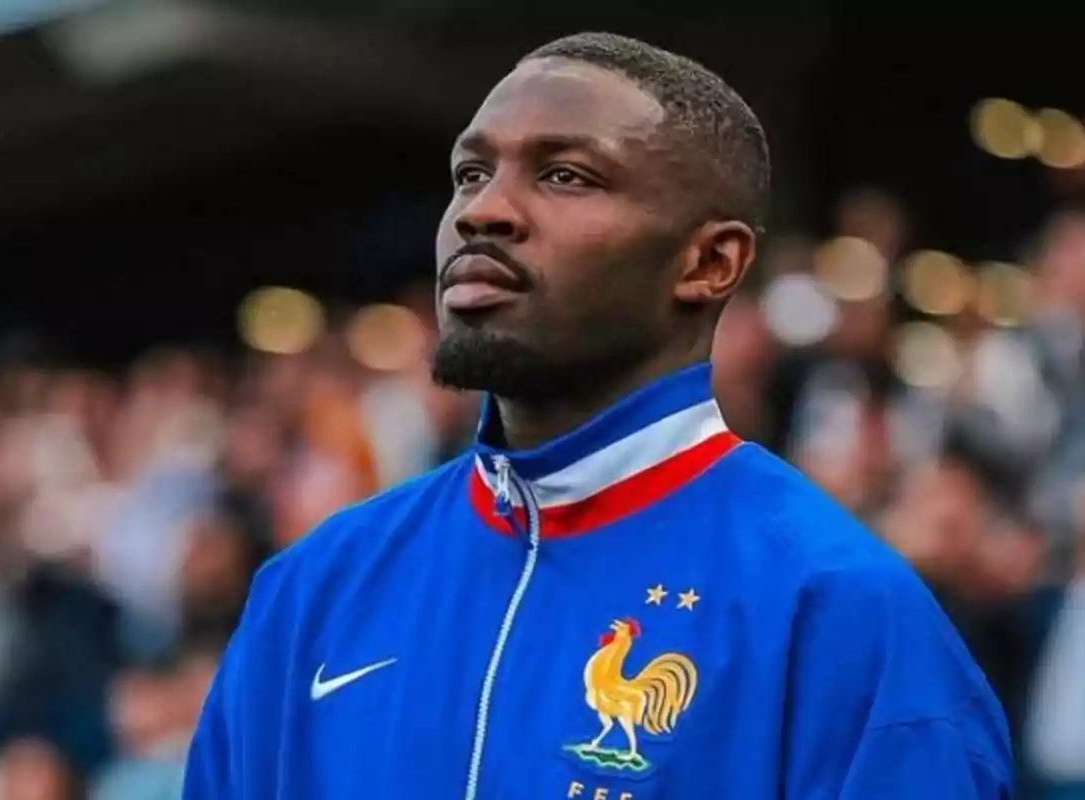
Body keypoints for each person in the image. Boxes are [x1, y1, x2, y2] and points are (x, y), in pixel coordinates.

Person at [183, 32, 1013, 799]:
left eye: (564, 175)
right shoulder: (313, 588)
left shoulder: (842, 617)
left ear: (708, 262)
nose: (484, 211)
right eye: (471, 174)